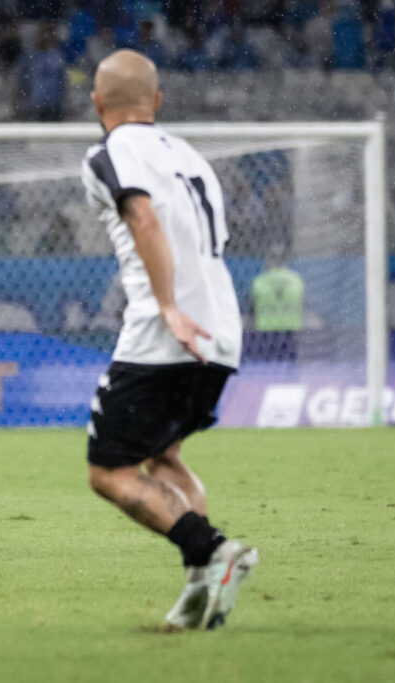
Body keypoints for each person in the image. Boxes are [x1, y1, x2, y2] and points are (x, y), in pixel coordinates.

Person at [80, 49, 259, 631]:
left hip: (166, 331)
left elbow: (144, 219)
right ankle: (200, 588)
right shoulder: (192, 157)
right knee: (163, 456)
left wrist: (166, 308)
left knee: (108, 470)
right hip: (222, 330)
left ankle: (212, 551)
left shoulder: (109, 153)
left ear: (96, 102)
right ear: (156, 102)